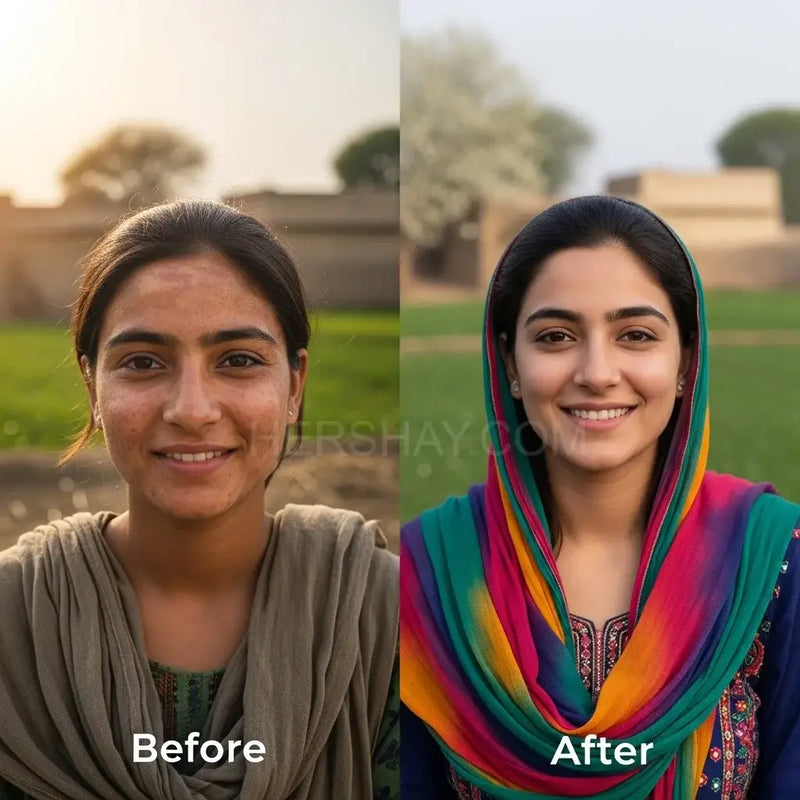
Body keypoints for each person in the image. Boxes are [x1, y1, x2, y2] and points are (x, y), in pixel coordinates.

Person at [400, 196, 800, 799]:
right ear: (509, 360)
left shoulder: (774, 561)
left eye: (636, 335)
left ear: (687, 360)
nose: (596, 371)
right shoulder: (429, 570)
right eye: (556, 336)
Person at [0, 200, 399, 800]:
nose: (191, 409)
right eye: (142, 362)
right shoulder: (14, 619)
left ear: (295, 385)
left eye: (238, 360)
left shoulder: (392, 620)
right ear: (92, 388)